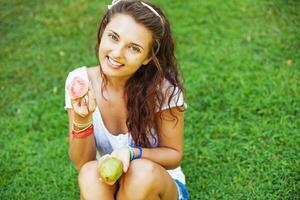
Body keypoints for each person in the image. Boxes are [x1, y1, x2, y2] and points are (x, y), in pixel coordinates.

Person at [64, 0, 189, 199]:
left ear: (148, 57)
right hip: (111, 182)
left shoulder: (165, 91)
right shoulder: (80, 82)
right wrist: (82, 119)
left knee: (140, 173)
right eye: (114, 37)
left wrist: (133, 153)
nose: (117, 53)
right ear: (103, 31)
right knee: (89, 174)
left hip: (155, 184)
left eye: (134, 48)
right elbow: (82, 163)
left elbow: (173, 155)